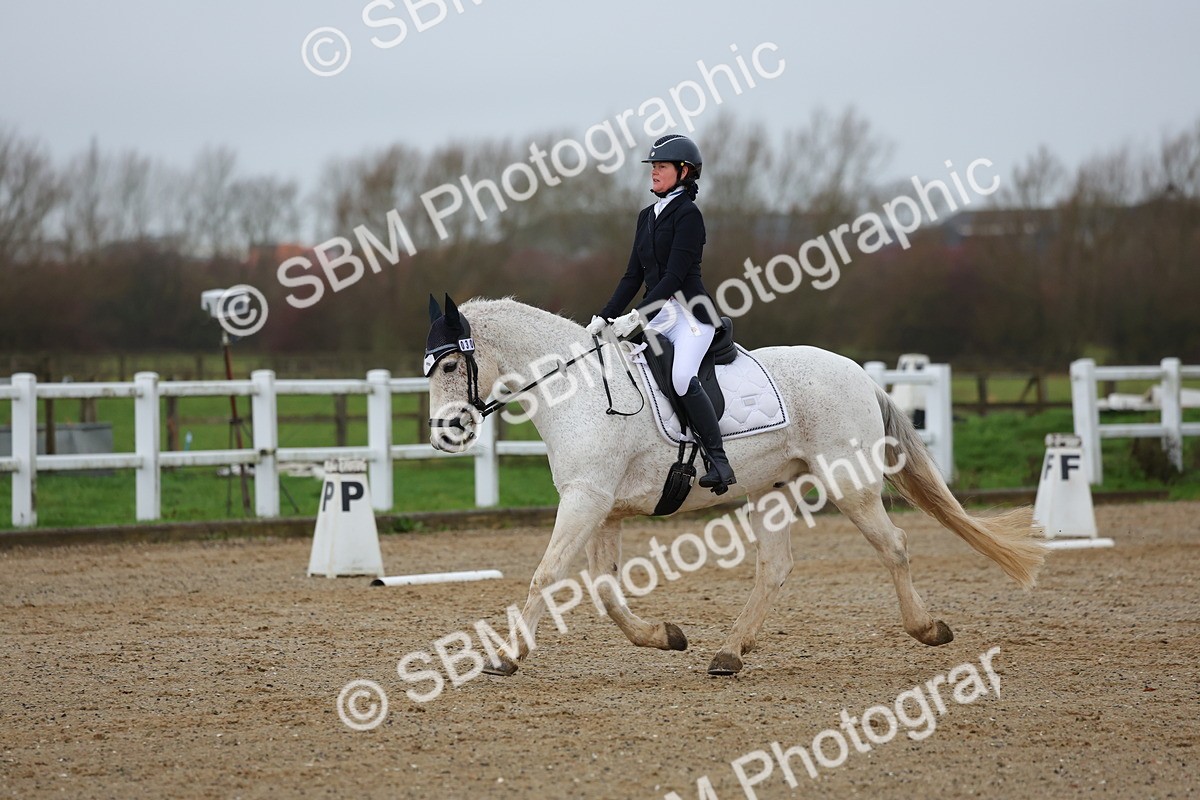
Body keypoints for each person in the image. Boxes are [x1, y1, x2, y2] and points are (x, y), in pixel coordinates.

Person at [586, 133, 736, 493]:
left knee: (683, 378)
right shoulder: (646, 216)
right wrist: (605, 315)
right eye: (653, 166)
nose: (654, 171)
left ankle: (719, 460)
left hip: (691, 315)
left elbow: (674, 276)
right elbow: (633, 275)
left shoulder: (689, 216)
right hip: (658, 315)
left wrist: (639, 314)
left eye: (661, 166)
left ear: (684, 171)